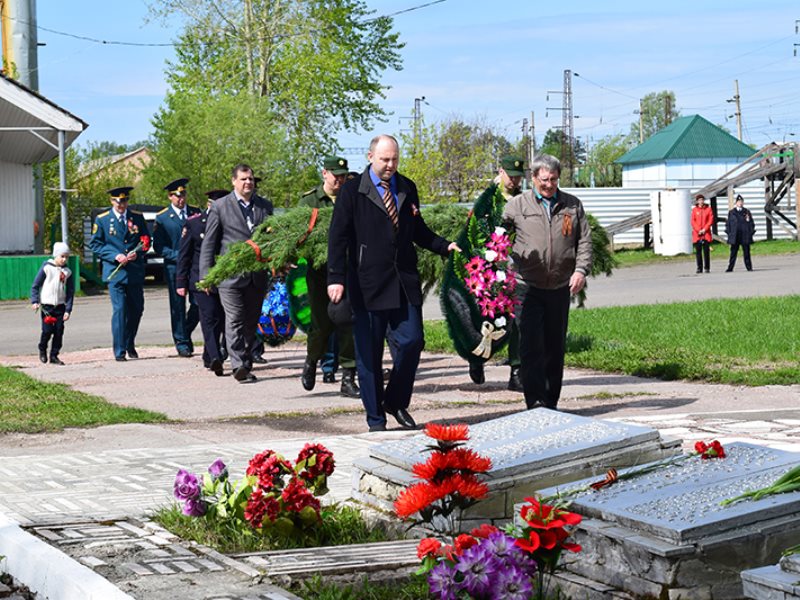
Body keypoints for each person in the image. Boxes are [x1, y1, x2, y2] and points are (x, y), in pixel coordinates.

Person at [327, 134, 460, 432]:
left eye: (394, 159)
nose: (390, 165)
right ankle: (376, 419)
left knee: (413, 341)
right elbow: (338, 237)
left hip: (403, 281)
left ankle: (396, 401)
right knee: (369, 354)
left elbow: (418, 230)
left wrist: (444, 246)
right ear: (371, 157)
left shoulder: (407, 187)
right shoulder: (352, 192)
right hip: (367, 284)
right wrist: (335, 279)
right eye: (385, 159)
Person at [503, 154, 592, 410]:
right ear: (533, 178)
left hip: (559, 287)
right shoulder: (517, 206)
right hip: (526, 286)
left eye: (553, 179)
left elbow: (584, 241)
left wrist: (581, 271)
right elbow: (497, 239)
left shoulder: (572, 206)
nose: (549, 185)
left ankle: (551, 401)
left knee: (554, 346)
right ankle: (534, 402)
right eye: (544, 180)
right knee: (531, 346)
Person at [199, 164, 273, 383]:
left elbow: (271, 239)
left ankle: (245, 360)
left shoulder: (264, 206)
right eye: (243, 179)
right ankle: (238, 365)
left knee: (251, 322)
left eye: (250, 179)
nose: (248, 182)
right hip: (230, 276)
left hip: (256, 276)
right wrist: (206, 274)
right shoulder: (221, 206)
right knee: (235, 319)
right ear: (233, 181)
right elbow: (209, 243)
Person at [299, 155, 359, 398]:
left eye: (344, 176)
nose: (340, 180)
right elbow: (301, 235)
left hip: (348, 272)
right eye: (336, 175)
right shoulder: (310, 201)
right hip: (319, 273)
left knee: (348, 324)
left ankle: (348, 378)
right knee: (321, 325)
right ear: (325, 173)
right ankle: (312, 360)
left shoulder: (353, 196)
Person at [466, 155, 525, 391]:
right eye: (511, 175)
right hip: (489, 269)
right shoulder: (487, 200)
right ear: (500, 172)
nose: (515, 180)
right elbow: (474, 232)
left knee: (517, 320)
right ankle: (477, 357)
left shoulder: (524, 200)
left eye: (519, 176)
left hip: (516, 269)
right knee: (487, 319)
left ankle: (517, 370)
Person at [89, 186, 150, 362]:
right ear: (112, 201)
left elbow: (145, 241)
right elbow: (96, 244)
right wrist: (115, 256)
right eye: (118, 201)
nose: (121, 204)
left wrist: (137, 252)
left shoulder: (137, 217)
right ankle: (120, 349)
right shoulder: (103, 220)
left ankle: (129, 343)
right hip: (115, 273)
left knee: (137, 309)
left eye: (124, 201)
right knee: (120, 309)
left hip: (134, 272)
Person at [176, 189, 228, 376]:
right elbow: (184, 256)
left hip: (225, 279)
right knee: (208, 317)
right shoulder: (195, 223)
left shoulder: (230, 223)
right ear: (209, 204)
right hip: (201, 279)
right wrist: (181, 282)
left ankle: (209, 353)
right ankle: (215, 357)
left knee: (222, 320)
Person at [153, 178, 201, 357]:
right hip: (174, 267)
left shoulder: (195, 212)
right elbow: (159, 247)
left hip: (194, 267)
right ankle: (181, 342)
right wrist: (179, 257)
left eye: (184, 194)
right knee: (177, 306)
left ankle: (185, 332)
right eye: (177, 195)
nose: (181, 199)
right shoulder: (163, 218)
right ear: (170, 196)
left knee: (198, 304)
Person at [30, 241, 74, 365]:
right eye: (62, 256)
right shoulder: (47, 268)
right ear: (56, 255)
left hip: (60, 306)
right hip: (47, 307)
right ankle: (42, 348)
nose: (64, 259)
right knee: (47, 331)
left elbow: (70, 292)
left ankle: (54, 355)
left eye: (66, 257)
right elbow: (35, 286)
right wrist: (35, 301)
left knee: (59, 331)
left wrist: (68, 309)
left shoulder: (67, 272)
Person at [725, 194, 755, 272]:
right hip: (735, 236)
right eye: (739, 202)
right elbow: (728, 224)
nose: (740, 203)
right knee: (733, 253)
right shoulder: (732, 212)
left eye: (741, 202)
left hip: (744, 235)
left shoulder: (746, 211)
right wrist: (729, 233)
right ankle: (730, 267)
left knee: (746, 252)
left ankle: (749, 267)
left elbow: (751, 223)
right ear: (736, 203)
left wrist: (750, 232)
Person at [691, 193, 714, 274]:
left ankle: (707, 267)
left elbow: (710, 220)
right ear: (697, 201)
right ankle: (699, 267)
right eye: (699, 200)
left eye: (702, 200)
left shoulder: (708, 209)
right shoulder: (694, 210)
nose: (701, 201)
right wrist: (698, 230)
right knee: (698, 252)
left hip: (706, 233)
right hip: (697, 234)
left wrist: (705, 229)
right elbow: (693, 221)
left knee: (706, 252)